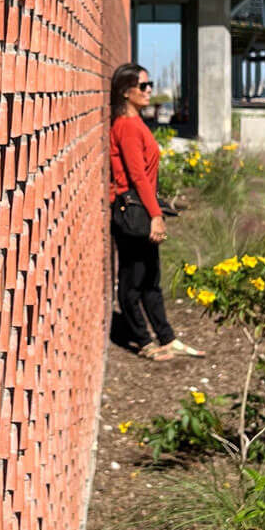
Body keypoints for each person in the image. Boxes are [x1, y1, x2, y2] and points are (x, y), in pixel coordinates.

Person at [109, 63, 204, 361]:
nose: (149, 91)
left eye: (149, 86)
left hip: (142, 208)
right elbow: (137, 177)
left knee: (151, 279)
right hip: (134, 213)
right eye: (144, 86)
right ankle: (143, 341)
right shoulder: (125, 127)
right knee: (132, 282)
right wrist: (156, 215)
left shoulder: (136, 123)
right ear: (127, 92)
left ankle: (167, 337)